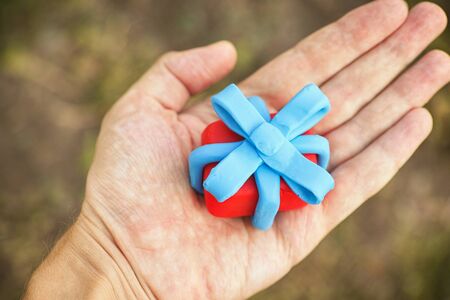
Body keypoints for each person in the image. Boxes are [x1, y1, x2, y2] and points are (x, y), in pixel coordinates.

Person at [24, 0, 449, 299]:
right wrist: (119, 262)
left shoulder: (281, 150)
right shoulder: (223, 152)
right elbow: (213, 165)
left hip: (271, 157)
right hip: (251, 158)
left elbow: (255, 174)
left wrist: (121, 272)